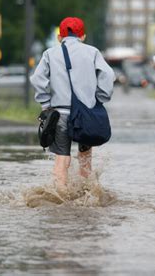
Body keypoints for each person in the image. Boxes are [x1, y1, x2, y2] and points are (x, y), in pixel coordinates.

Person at [30, 17, 115, 191]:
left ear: (59, 37)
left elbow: (37, 79)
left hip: (59, 115)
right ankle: (85, 197)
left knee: (62, 159)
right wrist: (99, 98)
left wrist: (45, 104)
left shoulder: (49, 53)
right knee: (85, 157)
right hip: (85, 115)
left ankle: (60, 199)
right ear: (82, 36)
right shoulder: (93, 53)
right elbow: (108, 76)